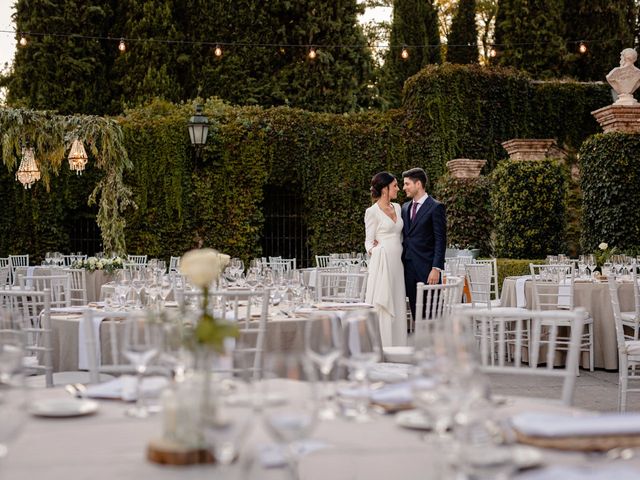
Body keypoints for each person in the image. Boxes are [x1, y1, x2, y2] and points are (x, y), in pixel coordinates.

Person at [364, 172, 407, 347]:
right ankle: (384, 346)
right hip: (382, 265)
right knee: (384, 306)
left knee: (397, 302)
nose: (398, 189)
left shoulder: (398, 207)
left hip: (398, 264)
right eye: (395, 185)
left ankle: (399, 346)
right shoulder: (372, 212)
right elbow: (368, 242)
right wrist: (376, 250)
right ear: (385, 189)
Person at [401, 167, 446, 321]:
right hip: (409, 269)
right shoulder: (405, 207)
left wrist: (436, 268)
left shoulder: (435, 207)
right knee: (416, 314)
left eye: (407, 184)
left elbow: (441, 240)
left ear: (418, 184)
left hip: (428, 270)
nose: (404, 188)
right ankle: (420, 344)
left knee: (432, 315)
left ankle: (436, 345)